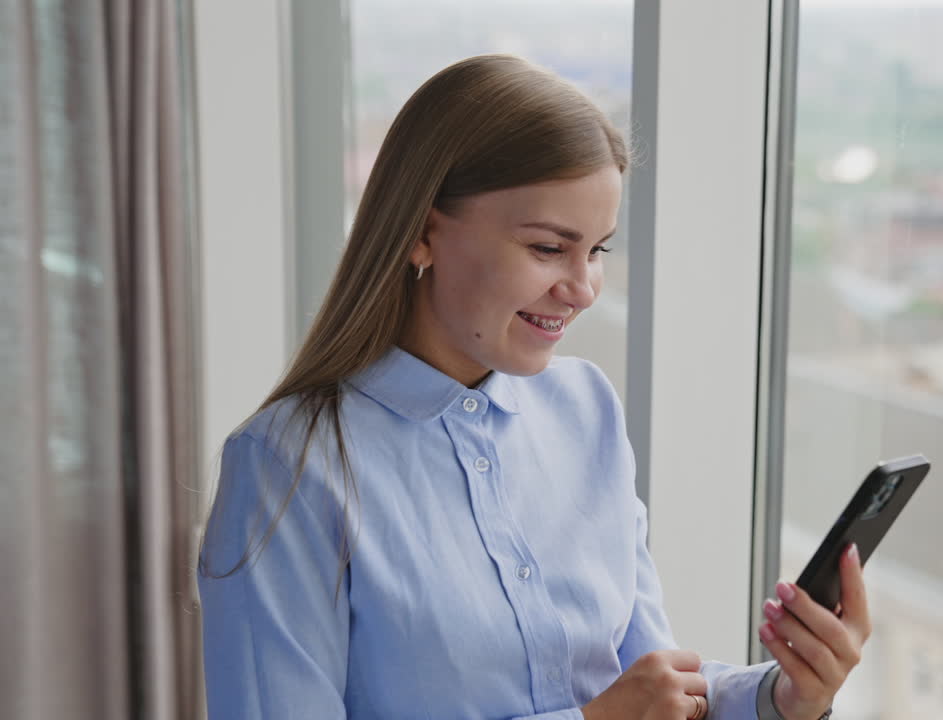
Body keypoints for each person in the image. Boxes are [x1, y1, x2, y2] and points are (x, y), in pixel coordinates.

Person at [197, 54, 871, 720]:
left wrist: (784, 698)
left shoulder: (587, 409)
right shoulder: (284, 467)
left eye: (598, 250)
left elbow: (655, 690)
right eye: (549, 248)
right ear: (424, 232)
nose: (581, 290)